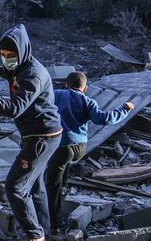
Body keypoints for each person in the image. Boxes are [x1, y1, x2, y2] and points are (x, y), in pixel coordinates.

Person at [0, 25, 63, 241]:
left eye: (11, 55)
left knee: (15, 186)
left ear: (22, 52)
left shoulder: (33, 75)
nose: (7, 59)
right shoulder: (22, 65)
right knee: (36, 187)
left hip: (41, 138)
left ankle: (35, 234)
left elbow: (15, 108)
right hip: (44, 134)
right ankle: (45, 232)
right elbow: (11, 72)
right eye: (3, 55)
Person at [46, 71, 133, 228]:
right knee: (63, 171)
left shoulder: (56, 94)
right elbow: (104, 118)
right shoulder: (87, 101)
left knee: (52, 183)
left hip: (62, 146)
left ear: (66, 85)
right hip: (80, 147)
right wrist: (124, 109)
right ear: (85, 88)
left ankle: (54, 223)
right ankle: (63, 195)